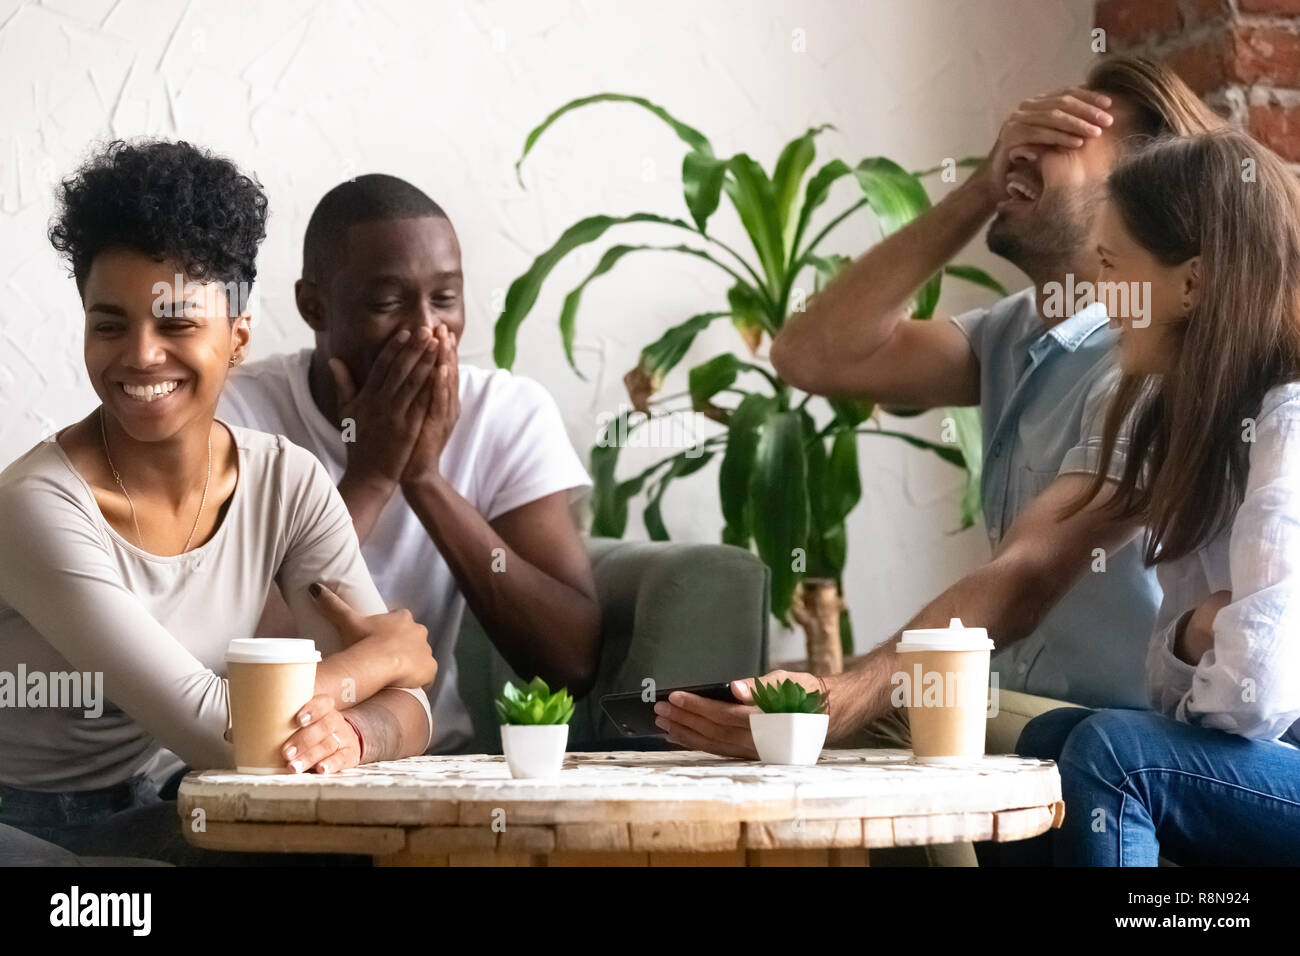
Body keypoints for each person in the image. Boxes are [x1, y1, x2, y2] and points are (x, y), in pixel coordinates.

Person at [655, 58, 1224, 866]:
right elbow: (811, 353)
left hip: (1128, 737)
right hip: (1029, 718)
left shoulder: (1154, 360)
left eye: (1061, 133)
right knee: (853, 717)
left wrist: (851, 690)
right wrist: (981, 190)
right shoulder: (1019, 333)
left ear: (1138, 183)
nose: (1017, 148)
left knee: (886, 713)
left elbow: (1027, 572)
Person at [0, 140, 437, 865]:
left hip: (164, 804)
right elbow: (224, 730)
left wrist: (359, 733)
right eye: (110, 324)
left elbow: (412, 710)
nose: (140, 354)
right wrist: (383, 656)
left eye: (176, 325)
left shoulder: (287, 486)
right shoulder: (35, 508)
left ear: (236, 340)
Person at [217, 174, 601, 755]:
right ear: (313, 305)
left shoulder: (508, 413)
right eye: (387, 303)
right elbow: (245, 643)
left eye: (445, 298)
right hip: (264, 751)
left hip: (418, 754)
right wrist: (371, 476)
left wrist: (423, 480)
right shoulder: (238, 410)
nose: (426, 328)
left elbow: (570, 660)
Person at [1015, 129, 1300, 866]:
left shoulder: (1290, 423)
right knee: (1040, 750)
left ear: (1193, 283)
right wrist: (1202, 631)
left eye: (1111, 266)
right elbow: (1171, 674)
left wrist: (1212, 636)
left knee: (1117, 755)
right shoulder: (1202, 424)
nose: (1096, 296)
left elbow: (1258, 691)